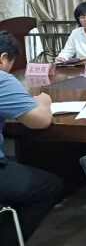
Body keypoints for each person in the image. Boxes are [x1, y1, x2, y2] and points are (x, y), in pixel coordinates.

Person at [0, 31, 64, 244]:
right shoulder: (2, 78)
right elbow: (40, 120)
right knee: (50, 186)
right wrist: (43, 102)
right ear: (3, 58)